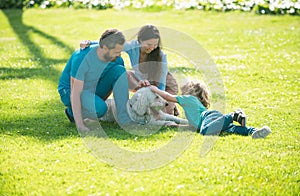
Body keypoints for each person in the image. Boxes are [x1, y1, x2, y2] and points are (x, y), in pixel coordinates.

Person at [80, 24, 180, 116]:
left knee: (161, 114)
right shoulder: (133, 47)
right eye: (149, 44)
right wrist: (90, 43)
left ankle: (172, 107)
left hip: (166, 85)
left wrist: (160, 100)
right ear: (140, 40)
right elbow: (111, 45)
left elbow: (161, 84)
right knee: (126, 74)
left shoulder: (161, 56)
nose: (152, 48)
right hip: (146, 82)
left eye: (155, 44)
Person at [58, 29, 132, 131]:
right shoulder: (81, 57)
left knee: (120, 70)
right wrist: (80, 125)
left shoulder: (115, 58)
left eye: (120, 51)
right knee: (100, 109)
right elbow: (75, 93)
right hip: (70, 91)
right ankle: (72, 113)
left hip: (92, 87)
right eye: (117, 52)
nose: (119, 55)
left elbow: (121, 83)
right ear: (105, 48)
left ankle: (124, 120)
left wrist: (139, 85)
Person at [150, 81, 272, 139]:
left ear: (188, 92)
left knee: (206, 131)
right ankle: (255, 131)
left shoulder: (188, 99)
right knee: (232, 129)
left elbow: (167, 96)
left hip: (210, 118)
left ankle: (233, 116)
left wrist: (154, 89)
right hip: (215, 120)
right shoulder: (196, 107)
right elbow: (191, 126)